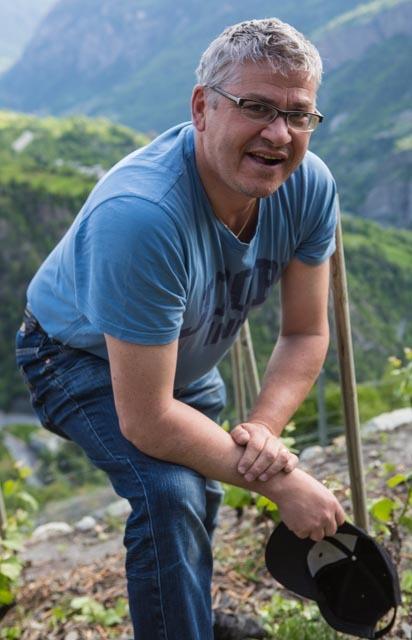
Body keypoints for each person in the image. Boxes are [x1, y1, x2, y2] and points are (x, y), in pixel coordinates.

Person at [16, 17, 346, 640]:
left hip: (179, 356)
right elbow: (148, 420)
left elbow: (305, 333)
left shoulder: (309, 186)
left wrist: (262, 435)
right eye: (256, 107)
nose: (279, 134)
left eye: (298, 115)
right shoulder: (141, 216)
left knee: (206, 489)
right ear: (202, 108)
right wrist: (283, 482)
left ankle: (183, 612)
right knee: (170, 493)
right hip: (73, 354)